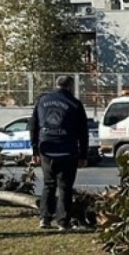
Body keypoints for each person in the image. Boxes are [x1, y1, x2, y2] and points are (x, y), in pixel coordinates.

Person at [29, 75, 89, 231]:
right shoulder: (75, 104)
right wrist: (83, 155)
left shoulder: (42, 101)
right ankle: (63, 222)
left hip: (46, 150)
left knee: (48, 185)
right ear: (70, 86)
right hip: (67, 150)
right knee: (65, 187)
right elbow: (83, 132)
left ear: (56, 85)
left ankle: (45, 218)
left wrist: (35, 150)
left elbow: (33, 126)